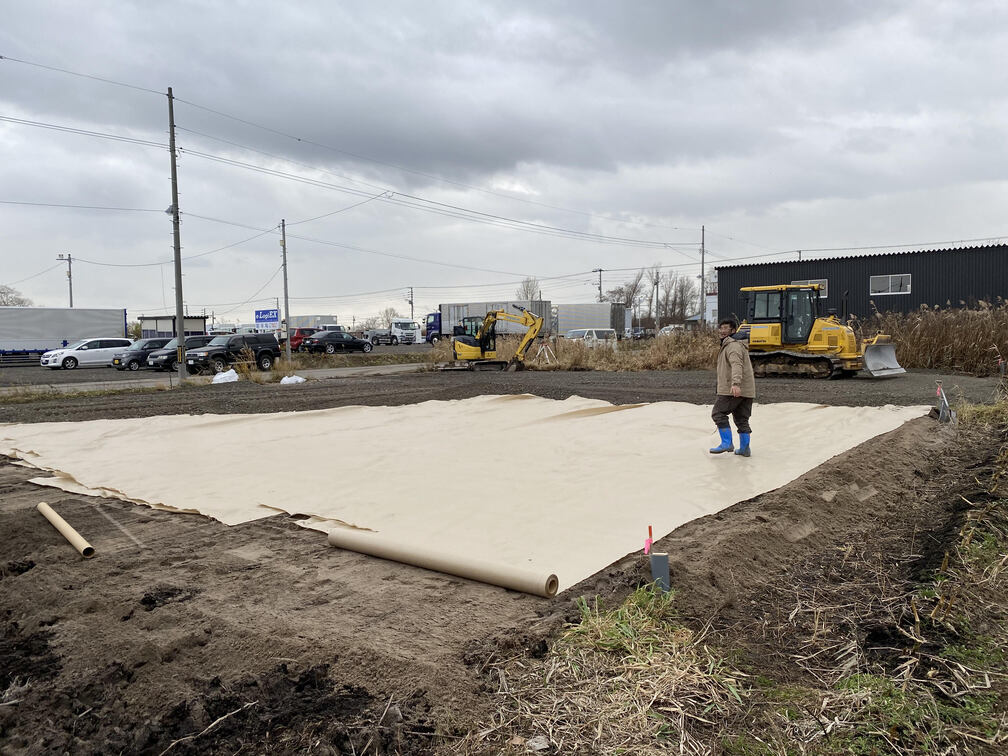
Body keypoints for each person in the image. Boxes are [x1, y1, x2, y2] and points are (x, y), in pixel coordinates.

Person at [709, 317, 756, 456]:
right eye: (721, 328)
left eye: (725, 328)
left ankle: (727, 443)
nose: (722, 331)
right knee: (742, 419)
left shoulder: (732, 346)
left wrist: (735, 384)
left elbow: (737, 365)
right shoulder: (738, 345)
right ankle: (744, 449)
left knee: (718, 413)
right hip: (748, 390)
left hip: (732, 389)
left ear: (733, 330)